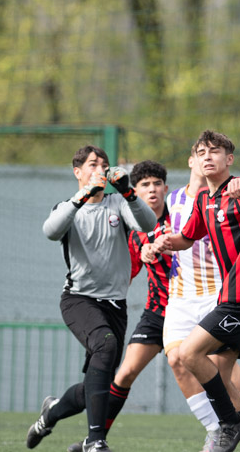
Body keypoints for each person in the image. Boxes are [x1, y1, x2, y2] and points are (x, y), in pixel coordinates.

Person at [148, 130, 240, 452]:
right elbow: (187, 238)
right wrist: (164, 242)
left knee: (189, 354)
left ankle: (229, 424)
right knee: (220, 372)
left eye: (215, 151)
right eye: (202, 152)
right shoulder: (204, 200)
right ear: (194, 160)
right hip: (230, 297)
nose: (208, 156)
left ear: (228, 159)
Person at [27, 145, 157, 452]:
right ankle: (95, 441)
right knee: (106, 346)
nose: (99, 169)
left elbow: (148, 224)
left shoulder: (118, 203)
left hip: (115, 305)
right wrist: (82, 195)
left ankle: (50, 414)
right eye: (92, 164)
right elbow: (50, 231)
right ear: (78, 172)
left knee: (96, 387)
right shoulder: (69, 207)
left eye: (103, 165)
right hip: (79, 299)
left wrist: (129, 192)